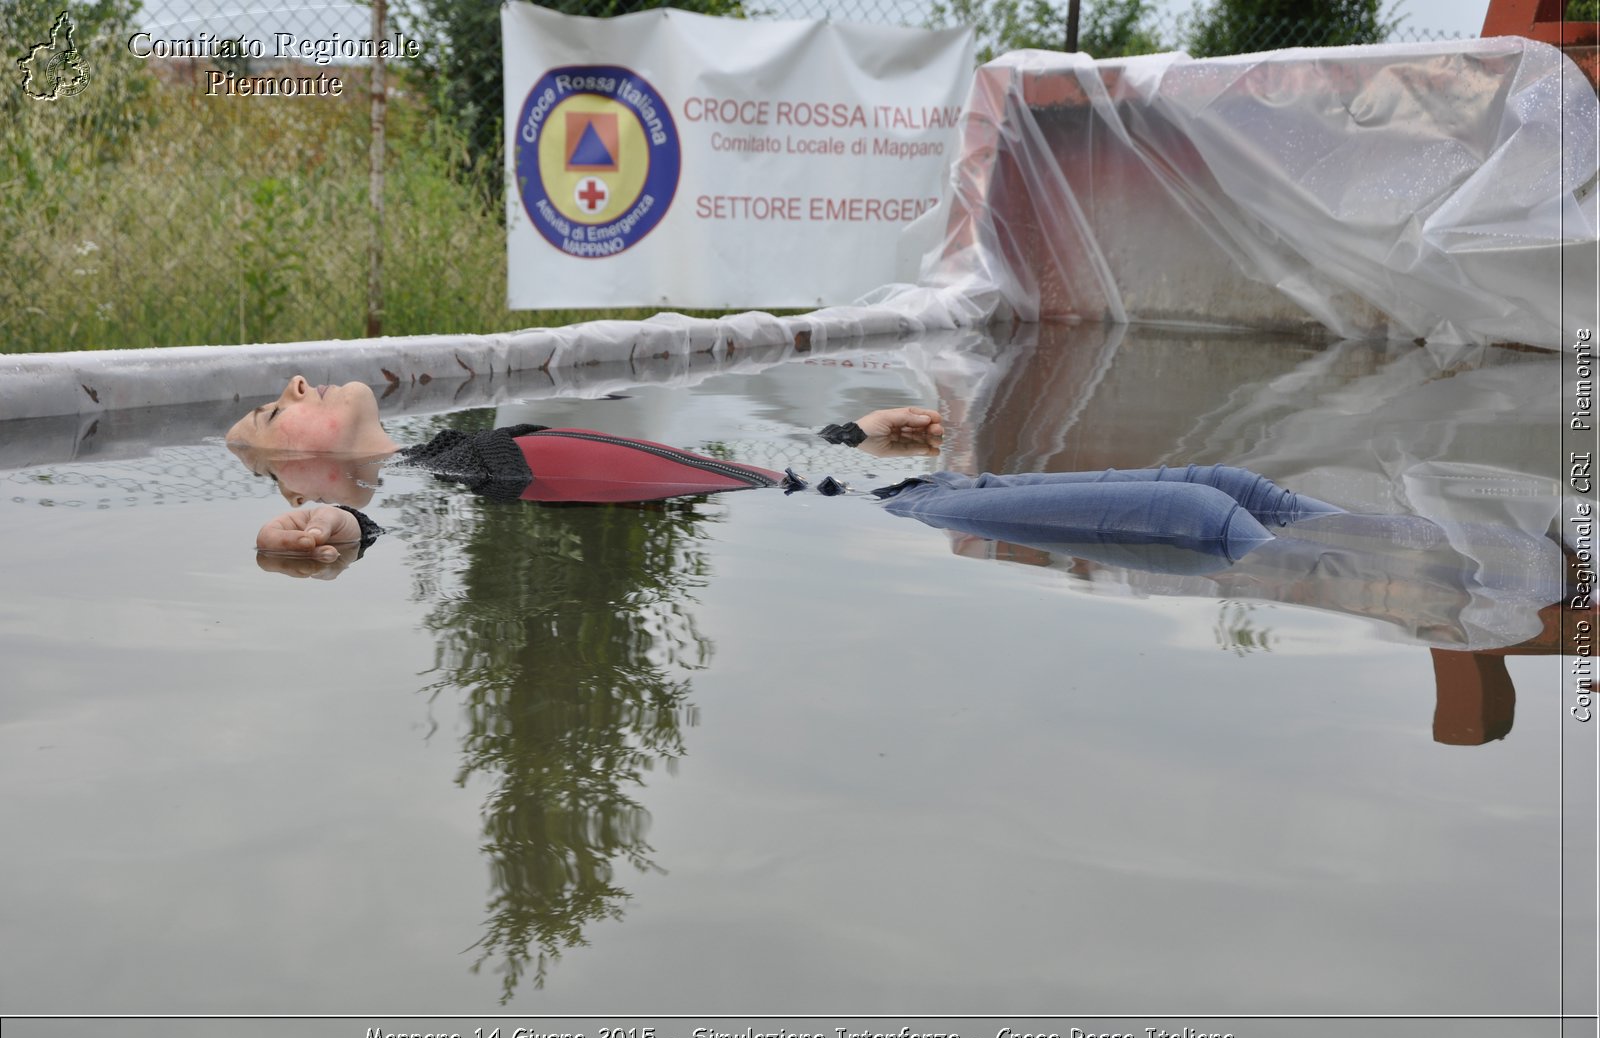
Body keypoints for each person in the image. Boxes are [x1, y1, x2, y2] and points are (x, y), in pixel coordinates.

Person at [227, 374, 1342, 573]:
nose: (300, 379)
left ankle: (1478, 561)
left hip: (855, 493)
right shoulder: (430, 481)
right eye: (279, 405)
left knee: (1234, 484)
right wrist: (326, 537)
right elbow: (380, 532)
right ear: (295, 468)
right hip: (861, 527)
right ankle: (1464, 586)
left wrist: (851, 434)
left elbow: (684, 461)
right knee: (1205, 515)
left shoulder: (447, 444)